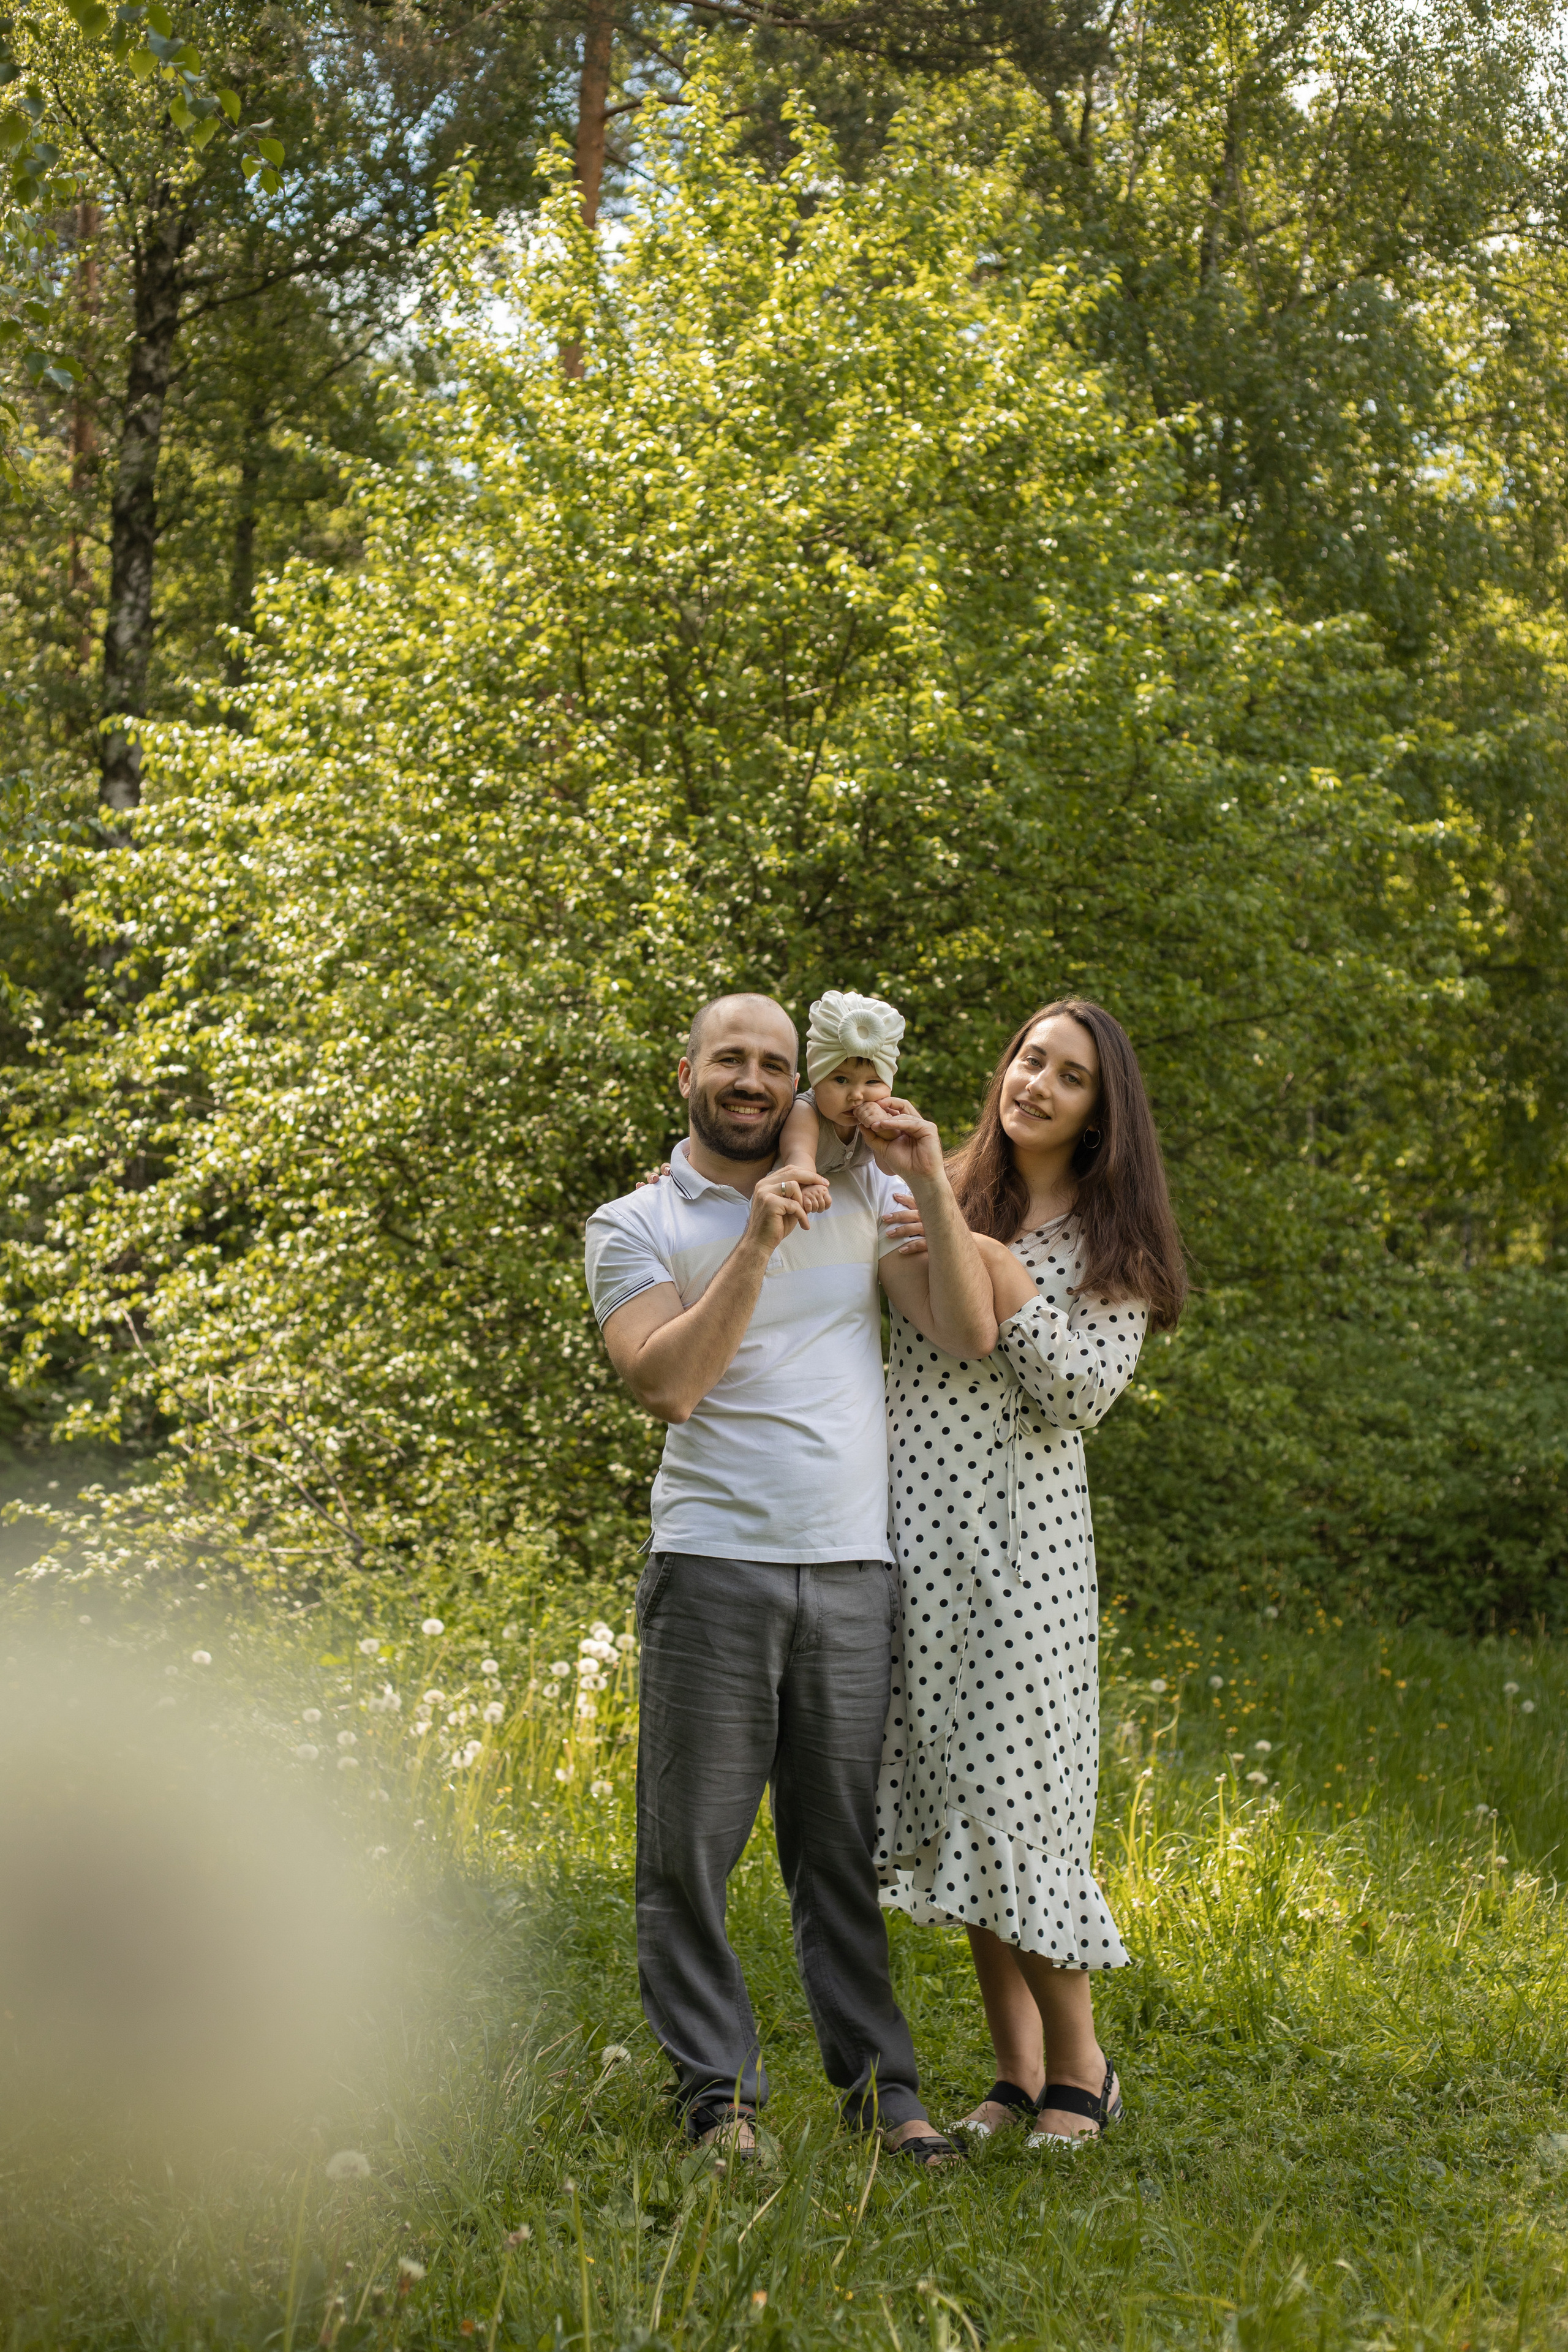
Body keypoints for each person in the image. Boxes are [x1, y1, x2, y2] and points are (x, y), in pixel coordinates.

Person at [583, 992, 995, 2165]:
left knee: (838, 1855)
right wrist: (757, 1241)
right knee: (690, 1854)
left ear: (797, 1078)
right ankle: (720, 2102)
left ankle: (888, 2102)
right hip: (713, 1568)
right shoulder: (637, 1222)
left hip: (855, 1574)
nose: (753, 1079)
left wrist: (931, 1177)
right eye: (731, 1060)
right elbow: (666, 1384)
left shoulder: (868, 1194)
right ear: (689, 1076)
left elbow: (966, 1331)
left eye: (773, 1062)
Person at [873, 999, 1186, 2147]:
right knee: (964, 1801)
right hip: (915, 1544)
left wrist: (1004, 1273)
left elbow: (1076, 1396)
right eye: (1030, 1060)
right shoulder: (939, 1191)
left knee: (1017, 1805)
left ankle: (1084, 2073)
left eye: (1070, 1078)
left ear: (1104, 1116)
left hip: (1024, 1559)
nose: (1038, 1085)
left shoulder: (1115, 1247)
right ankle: (1014, 2077)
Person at [774, 989, 906, 1193]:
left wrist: (886, 1131)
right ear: (816, 1080)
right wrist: (807, 1183)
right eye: (841, 1080)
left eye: (872, 1082)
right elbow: (799, 1156)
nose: (857, 1095)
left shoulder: (884, 1113)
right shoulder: (807, 1111)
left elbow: (891, 1169)